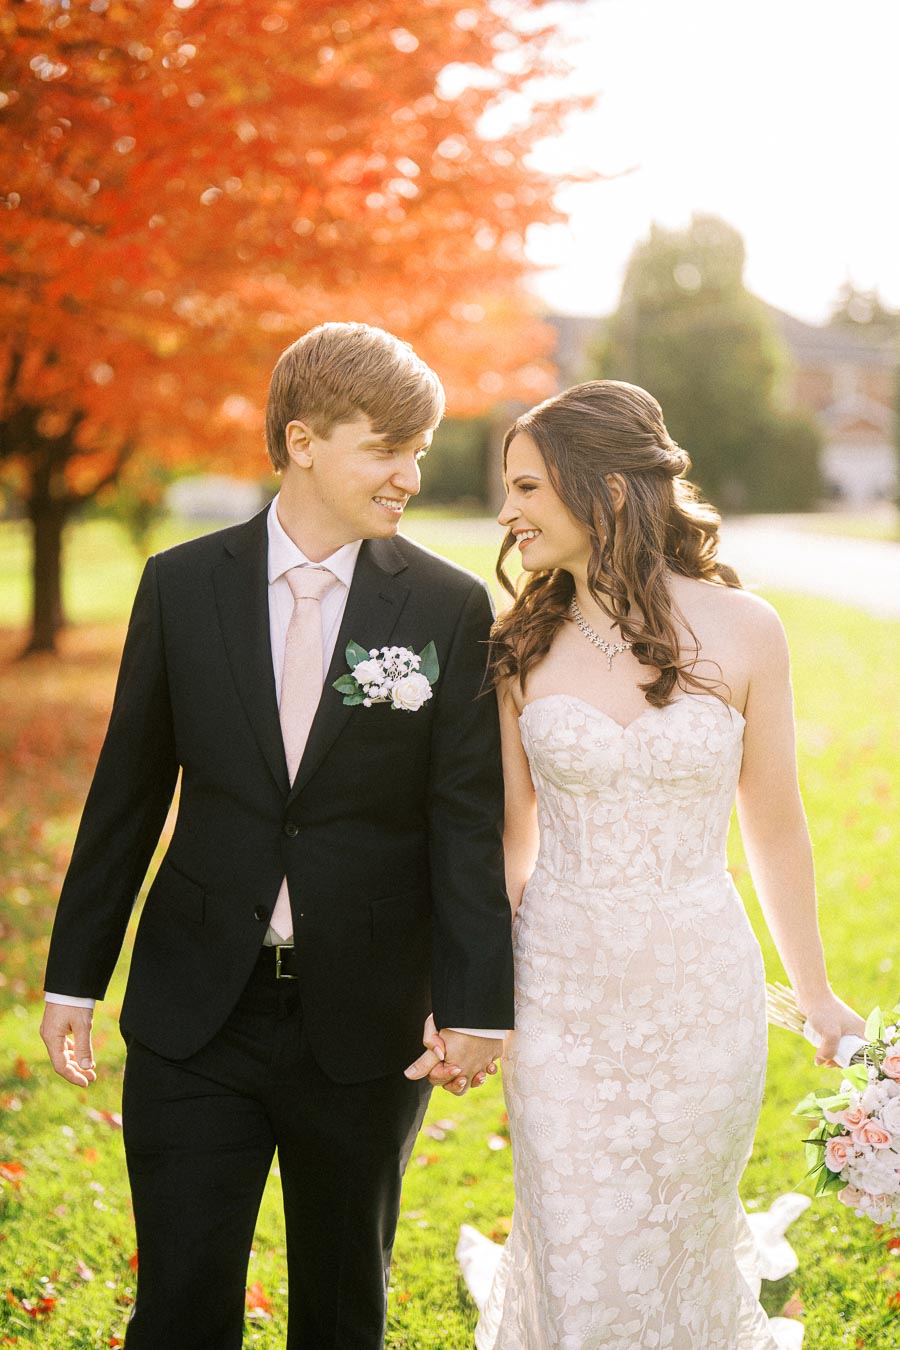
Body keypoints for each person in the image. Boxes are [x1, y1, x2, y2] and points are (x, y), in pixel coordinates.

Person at [39, 322, 513, 1350]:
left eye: (419, 450)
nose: (410, 474)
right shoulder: (180, 585)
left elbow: (465, 819)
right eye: (386, 448)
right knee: (179, 1306)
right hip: (195, 1011)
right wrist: (74, 977)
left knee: (342, 1313)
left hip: (366, 1021)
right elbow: (127, 793)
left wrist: (477, 999)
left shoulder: (447, 605)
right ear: (302, 441)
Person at [418, 380, 864, 1348]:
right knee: (575, 1241)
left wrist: (815, 992)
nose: (507, 512)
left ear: (609, 490)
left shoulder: (747, 630)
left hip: (701, 989)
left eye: (528, 487)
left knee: (678, 1234)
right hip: (560, 988)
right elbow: (508, 840)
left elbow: (775, 825)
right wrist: (470, 993)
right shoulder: (518, 644)